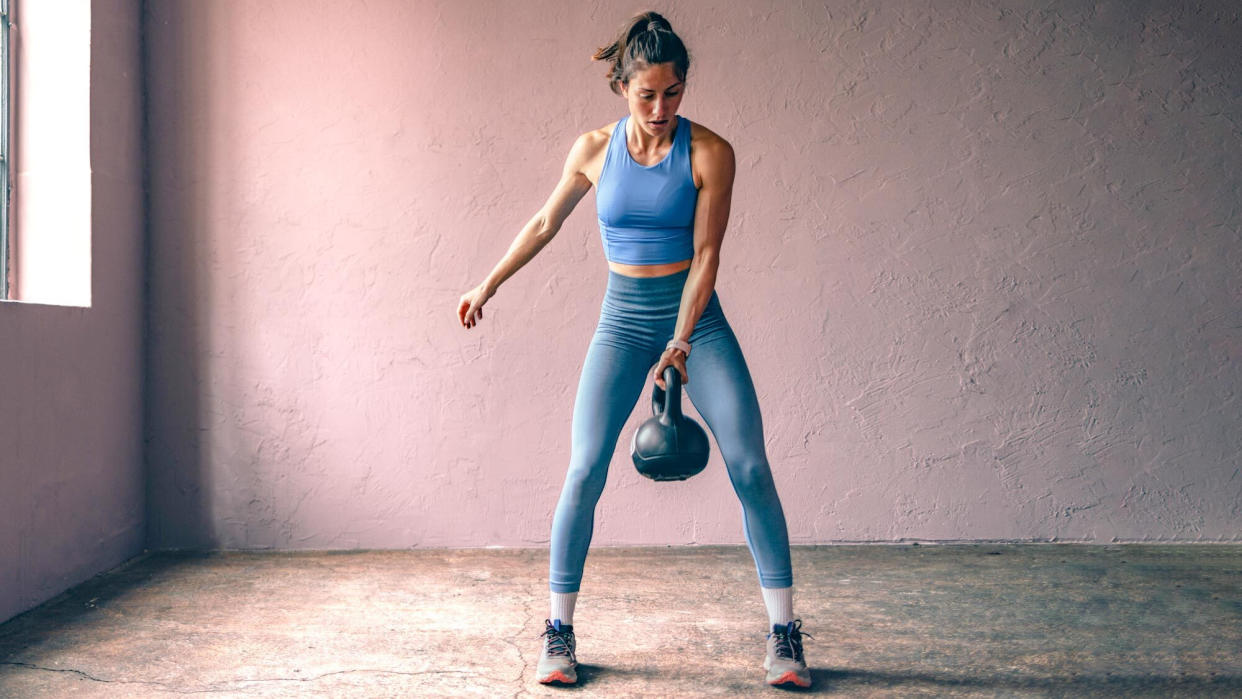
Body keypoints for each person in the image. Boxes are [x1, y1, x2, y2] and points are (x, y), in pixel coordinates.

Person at [456, 11, 811, 689]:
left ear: (684, 86)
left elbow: (707, 256)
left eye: (672, 93)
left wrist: (680, 340)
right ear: (621, 86)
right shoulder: (593, 148)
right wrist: (487, 283)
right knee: (585, 468)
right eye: (646, 94)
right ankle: (557, 633)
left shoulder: (710, 152)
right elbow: (544, 221)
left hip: (696, 324)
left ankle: (784, 635)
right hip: (621, 322)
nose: (660, 108)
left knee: (750, 464)